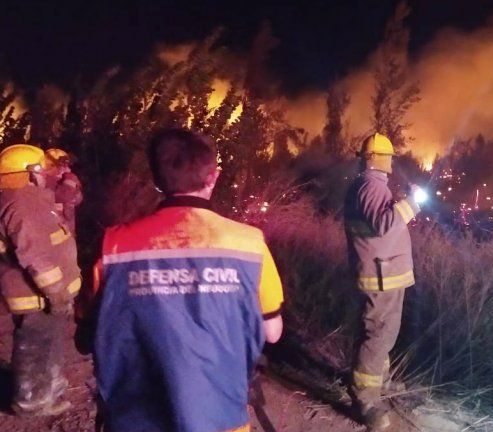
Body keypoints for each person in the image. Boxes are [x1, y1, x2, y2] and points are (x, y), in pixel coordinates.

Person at [93, 129, 284, 431]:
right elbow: (272, 332)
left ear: (157, 180)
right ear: (213, 177)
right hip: (221, 416)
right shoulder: (250, 244)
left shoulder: (114, 245)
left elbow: (91, 331)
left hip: (137, 419)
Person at [344, 132, 421, 431]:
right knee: (378, 335)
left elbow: (381, 222)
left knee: (384, 334)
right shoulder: (371, 186)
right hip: (380, 276)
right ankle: (365, 401)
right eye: (388, 157)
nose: (391, 162)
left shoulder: (369, 186)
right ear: (378, 159)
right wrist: (411, 203)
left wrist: (404, 200)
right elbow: (385, 224)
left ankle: (379, 381)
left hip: (384, 274)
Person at [0, 144, 81, 416]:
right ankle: (31, 400)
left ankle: (50, 387)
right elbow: (35, 254)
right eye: (42, 168)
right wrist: (56, 292)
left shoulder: (29, 199)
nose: (47, 173)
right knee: (35, 344)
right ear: (31, 172)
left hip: (41, 293)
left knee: (50, 341)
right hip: (36, 294)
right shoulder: (21, 203)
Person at [45, 148, 83, 234]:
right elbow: (64, 195)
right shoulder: (46, 181)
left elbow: (78, 198)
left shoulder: (63, 180)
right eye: (63, 165)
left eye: (66, 165)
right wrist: (71, 178)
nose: (67, 168)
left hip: (67, 232)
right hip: (54, 233)